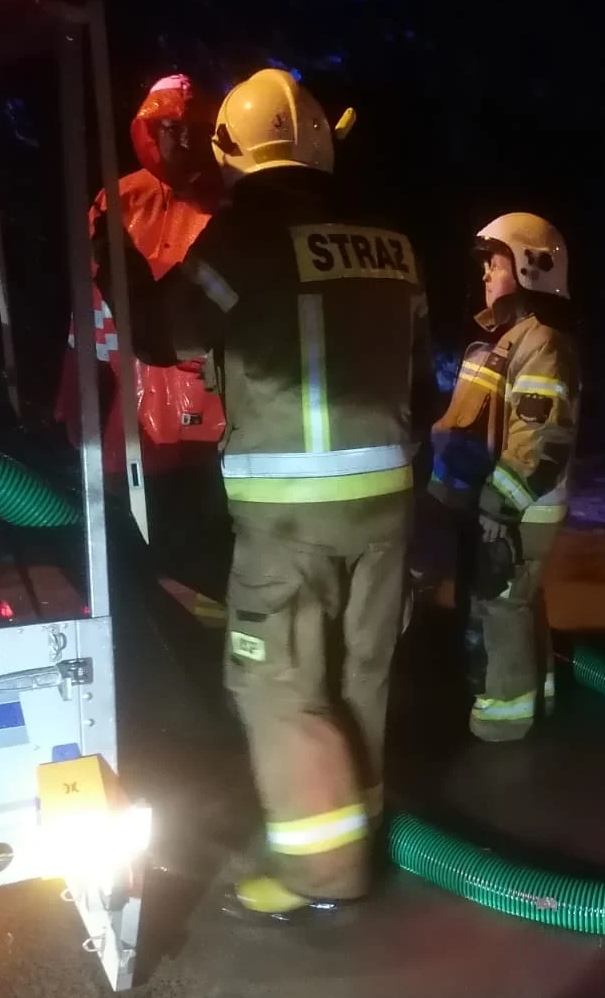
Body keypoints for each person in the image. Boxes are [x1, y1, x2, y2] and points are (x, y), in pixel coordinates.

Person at [104, 69, 431, 922]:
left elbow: (164, 335)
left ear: (234, 154)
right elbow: (421, 383)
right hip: (388, 507)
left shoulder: (241, 241)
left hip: (291, 515)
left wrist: (117, 260)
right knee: (360, 677)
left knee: (276, 683)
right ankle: (359, 830)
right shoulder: (392, 245)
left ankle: (322, 873)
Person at [428, 213, 581, 742]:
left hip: (519, 508)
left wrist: (500, 503)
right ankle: (535, 699)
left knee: (501, 602)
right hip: (508, 503)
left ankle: (503, 725)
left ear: (530, 268)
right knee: (514, 599)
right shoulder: (512, 339)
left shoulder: (542, 344)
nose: (486, 275)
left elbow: (539, 437)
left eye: (495, 264)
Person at [56, 74, 226, 479]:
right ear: (149, 130)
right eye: (170, 127)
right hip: (132, 415)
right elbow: (90, 309)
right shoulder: (121, 200)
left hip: (219, 416)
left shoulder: (233, 204)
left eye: (194, 128)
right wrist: (77, 393)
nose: (183, 139)